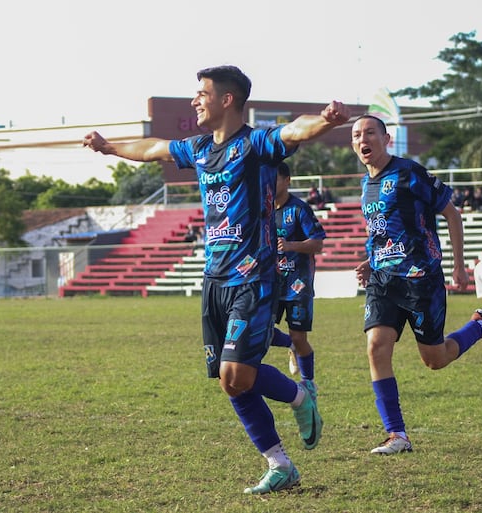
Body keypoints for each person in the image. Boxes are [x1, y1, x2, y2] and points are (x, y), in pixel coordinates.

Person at [83, 65, 350, 494]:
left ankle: (301, 398)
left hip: (253, 278)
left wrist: (325, 120)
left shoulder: (256, 144)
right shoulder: (201, 148)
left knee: (236, 372)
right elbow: (154, 148)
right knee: (230, 382)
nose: (195, 100)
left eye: (201, 93)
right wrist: (110, 147)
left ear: (227, 99)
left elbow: (294, 132)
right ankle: (280, 464)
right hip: (214, 281)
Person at [350, 115, 482, 455]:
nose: (363, 140)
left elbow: (451, 213)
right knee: (376, 346)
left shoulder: (409, 173)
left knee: (435, 359)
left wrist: (458, 266)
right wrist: (369, 260)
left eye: (370, 133)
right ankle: (397, 435)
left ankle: (479, 326)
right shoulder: (366, 184)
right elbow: (379, 231)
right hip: (383, 281)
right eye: (356, 135)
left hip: (422, 279)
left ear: (386, 138)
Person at [269, 162, 326, 389]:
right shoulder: (262, 210)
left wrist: (291, 245)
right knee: (260, 330)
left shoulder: (300, 209)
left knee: (300, 337)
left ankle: (308, 383)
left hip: (297, 285)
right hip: (270, 283)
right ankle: (289, 346)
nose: (268, 185)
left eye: (274, 179)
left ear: (287, 181)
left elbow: (318, 244)